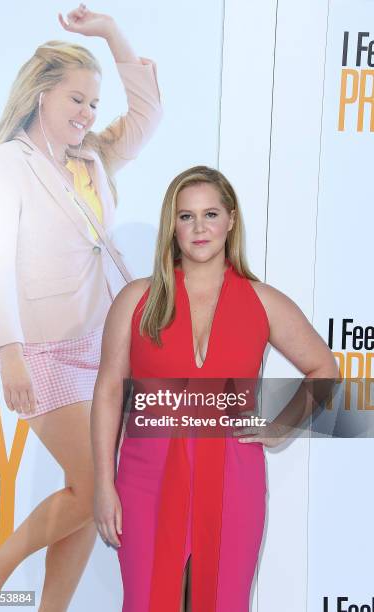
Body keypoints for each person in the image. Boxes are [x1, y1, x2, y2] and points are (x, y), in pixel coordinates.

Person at [0, 4, 161, 611]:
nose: (87, 115)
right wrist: (8, 353)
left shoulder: (93, 158)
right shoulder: (3, 164)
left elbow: (149, 117)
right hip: (43, 349)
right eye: (76, 100)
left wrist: (108, 33)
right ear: (41, 95)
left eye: (94, 104)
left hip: (99, 346)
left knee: (86, 490)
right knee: (94, 486)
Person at [91, 166, 339, 611]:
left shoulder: (262, 302)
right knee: (147, 603)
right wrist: (104, 484)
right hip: (146, 481)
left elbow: (323, 368)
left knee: (223, 603)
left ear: (231, 221)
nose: (199, 227)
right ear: (173, 226)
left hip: (233, 480)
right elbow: (109, 390)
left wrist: (282, 427)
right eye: (186, 217)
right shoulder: (136, 300)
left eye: (210, 214)